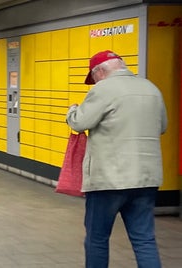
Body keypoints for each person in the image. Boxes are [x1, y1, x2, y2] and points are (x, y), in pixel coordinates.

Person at [66, 50, 167, 268]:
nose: (93, 83)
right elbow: (163, 126)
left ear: (100, 71)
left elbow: (79, 123)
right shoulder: (151, 88)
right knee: (144, 239)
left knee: (97, 239)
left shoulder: (103, 89)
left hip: (109, 180)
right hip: (146, 179)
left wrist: (72, 110)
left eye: (92, 78)